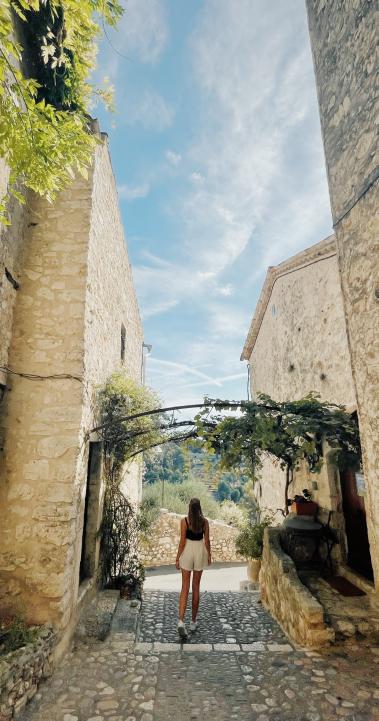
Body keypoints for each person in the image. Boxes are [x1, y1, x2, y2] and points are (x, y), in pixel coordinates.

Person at [175, 497, 211, 639]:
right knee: (196, 587)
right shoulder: (205, 522)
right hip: (200, 552)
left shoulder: (184, 521)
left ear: (190, 508)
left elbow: (182, 542)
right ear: (200, 508)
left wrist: (177, 557)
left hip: (188, 552)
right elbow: (207, 541)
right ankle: (193, 622)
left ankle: (181, 621)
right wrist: (209, 556)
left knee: (185, 587)